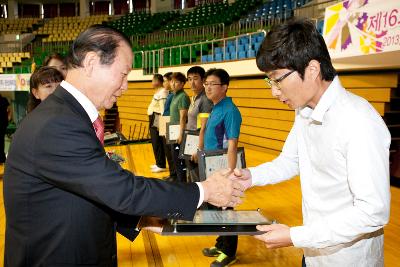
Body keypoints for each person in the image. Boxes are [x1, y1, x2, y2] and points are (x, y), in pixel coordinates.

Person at [3, 25, 245, 267]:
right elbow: (120, 189)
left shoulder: (65, 115)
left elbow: (87, 190)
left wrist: (139, 219)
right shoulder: (57, 123)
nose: (126, 86)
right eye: (123, 74)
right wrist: (204, 190)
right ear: (91, 62)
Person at [231, 19, 391, 266]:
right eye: (269, 81)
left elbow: (372, 212)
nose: (274, 91)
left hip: (348, 260)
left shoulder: (359, 122)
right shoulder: (304, 109)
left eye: (278, 79)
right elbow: (290, 161)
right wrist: (250, 177)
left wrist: (295, 235)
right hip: (313, 249)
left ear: (313, 70)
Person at [202, 68, 242, 267]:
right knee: (215, 206)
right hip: (211, 166)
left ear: (224, 87)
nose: (207, 87)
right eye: (206, 83)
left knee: (226, 208)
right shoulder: (215, 106)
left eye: (212, 84)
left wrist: (229, 175)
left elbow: (232, 144)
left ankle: (229, 252)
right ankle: (220, 243)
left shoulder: (230, 110)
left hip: (222, 167)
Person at [185, 66, 213, 182]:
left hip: (198, 143)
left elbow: (204, 127)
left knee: (198, 178)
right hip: (190, 141)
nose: (192, 82)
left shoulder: (205, 99)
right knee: (192, 175)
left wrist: (199, 149)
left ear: (203, 80)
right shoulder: (194, 97)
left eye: (195, 78)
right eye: (189, 79)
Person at [169, 72, 190, 183]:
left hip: (179, 133)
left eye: (176, 82)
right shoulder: (174, 95)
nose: (173, 84)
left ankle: (182, 183)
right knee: (175, 158)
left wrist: (181, 134)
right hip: (173, 132)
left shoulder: (183, 96)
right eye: (172, 81)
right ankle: (178, 180)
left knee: (180, 160)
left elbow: (183, 117)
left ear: (182, 84)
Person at [147, 73, 169, 173]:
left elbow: (163, 109)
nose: (151, 83)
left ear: (157, 81)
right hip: (155, 117)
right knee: (156, 142)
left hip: (159, 118)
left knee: (158, 142)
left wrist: (162, 123)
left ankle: (161, 164)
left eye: (152, 80)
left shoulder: (163, 92)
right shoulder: (159, 92)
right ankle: (159, 162)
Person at [161, 72, 177, 181]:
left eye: (165, 80)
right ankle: (172, 173)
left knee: (171, 151)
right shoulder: (170, 94)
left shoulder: (173, 96)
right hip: (164, 121)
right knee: (167, 150)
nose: (164, 83)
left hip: (169, 122)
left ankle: (174, 174)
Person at [0, 93, 10, 164]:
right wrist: (9, 117)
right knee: (1, 140)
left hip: (3, 123)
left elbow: (8, 110)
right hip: (3, 123)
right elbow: (9, 110)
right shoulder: (4, 100)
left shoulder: (4, 100)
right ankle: (2, 158)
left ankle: (2, 157)